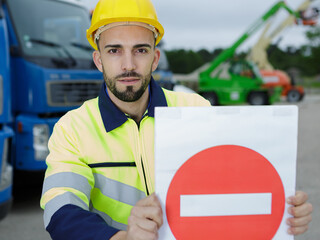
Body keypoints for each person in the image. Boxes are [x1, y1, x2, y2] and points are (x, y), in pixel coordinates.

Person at [40, 0, 313, 239]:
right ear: (98, 60)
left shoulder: (196, 109)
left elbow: (234, 185)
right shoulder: (73, 128)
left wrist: (283, 207)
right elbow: (60, 209)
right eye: (114, 51)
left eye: (140, 50)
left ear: (155, 58)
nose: (128, 65)